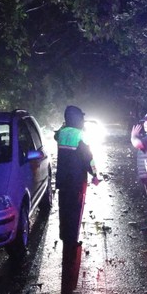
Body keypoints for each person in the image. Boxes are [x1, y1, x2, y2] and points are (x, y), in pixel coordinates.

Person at [55, 105, 100, 246]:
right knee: (75, 210)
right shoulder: (81, 135)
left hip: (62, 179)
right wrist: (95, 174)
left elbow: (55, 135)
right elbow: (88, 157)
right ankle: (72, 240)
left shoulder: (62, 133)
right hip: (76, 180)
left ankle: (63, 235)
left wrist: (65, 126)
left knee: (63, 208)